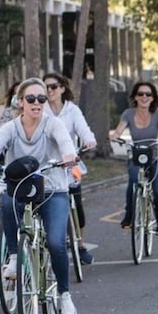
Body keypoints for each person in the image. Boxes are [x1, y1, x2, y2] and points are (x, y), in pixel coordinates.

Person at [0, 77, 80, 314]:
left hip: (53, 189)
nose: (36, 103)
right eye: (30, 98)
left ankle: (64, 295)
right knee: (6, 200)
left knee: (55, 242)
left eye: (41, 98)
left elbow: (65, 143)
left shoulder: (53, 124)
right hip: (20, 188)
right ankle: (13, 256)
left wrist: (69, 155)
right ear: (20, 102)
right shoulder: (11, 127)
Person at [42, 72, 97, 265]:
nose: (49, 90)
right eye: (46, 87)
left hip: (70, 165)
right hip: (48, 166)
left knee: (76, 204)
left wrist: (89, 140)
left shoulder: (72, 110)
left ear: (62, 89)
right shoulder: (41, 110)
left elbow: (83, 129)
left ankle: (80, 245)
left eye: (53, 86)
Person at [110, 81, 158, 234]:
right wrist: (115, 136)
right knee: (133, 180)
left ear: (153, 98)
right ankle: (129, 214)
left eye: (148, 94)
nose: (144, 97)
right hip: (137, 156)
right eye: (140, 94)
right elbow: (118, 131)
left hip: (155, 157)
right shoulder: (128, 114)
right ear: (135, 97)